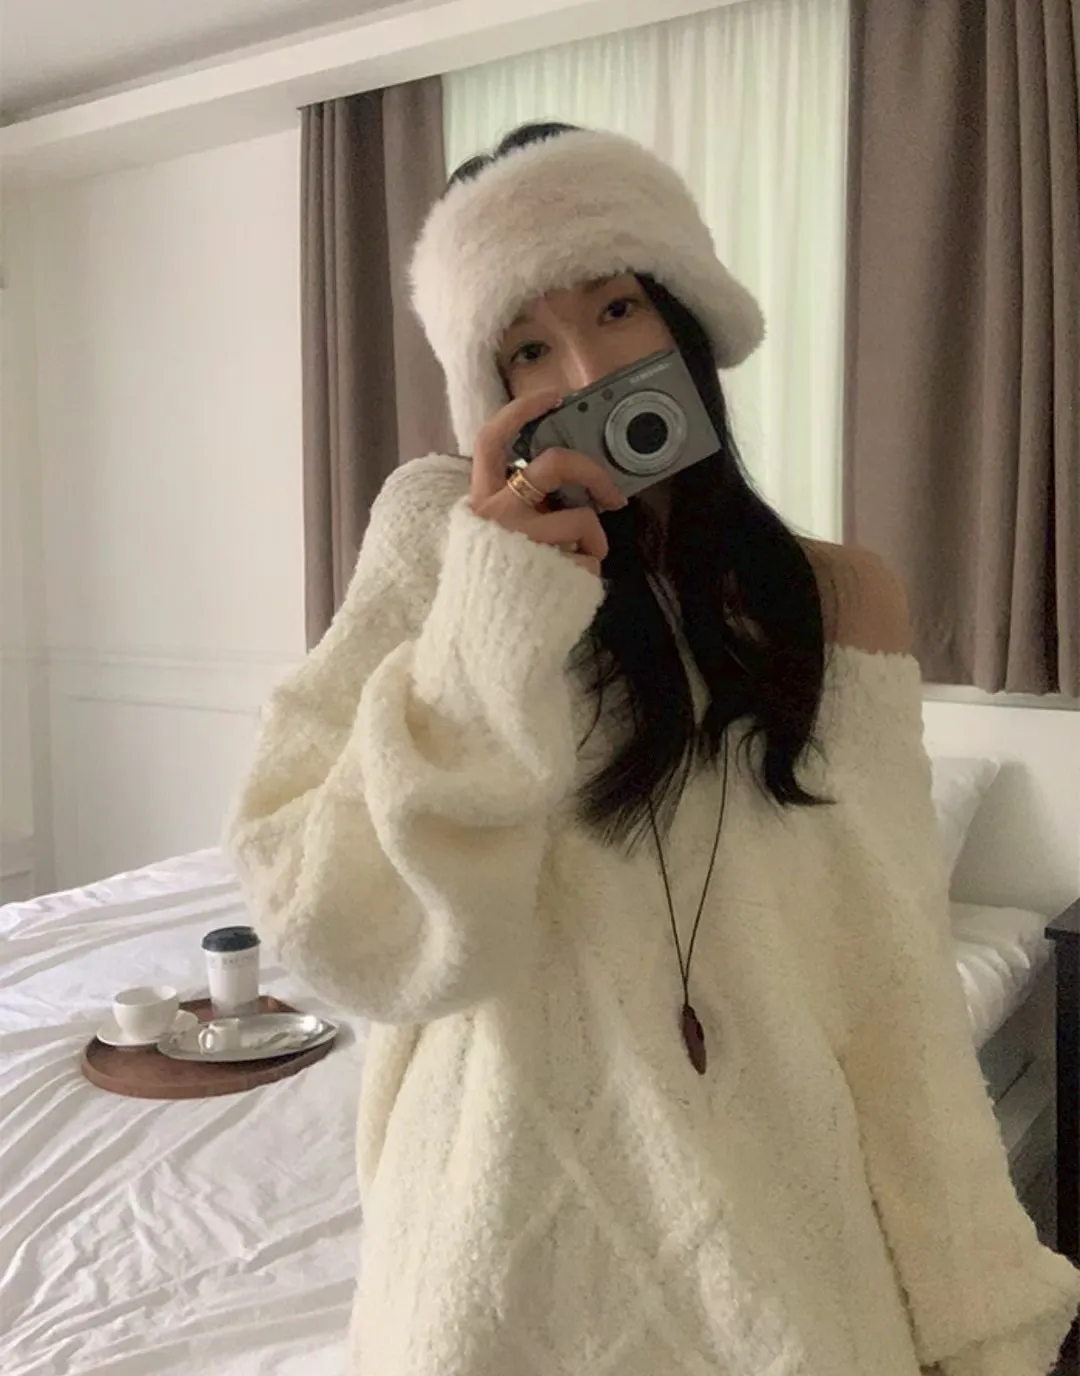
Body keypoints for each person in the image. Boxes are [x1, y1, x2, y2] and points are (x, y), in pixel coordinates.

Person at [224, 124, 1080, 1376]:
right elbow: (330, 924)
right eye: (527, 346)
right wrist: (493, 614)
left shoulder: (840, 597)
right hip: (492, 1246)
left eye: (617, 307)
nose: (586, 367)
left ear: (688, 320)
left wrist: (975, 1311)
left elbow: (888, 970)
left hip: (773, 1239)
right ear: (492, 394)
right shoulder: (439, 543)